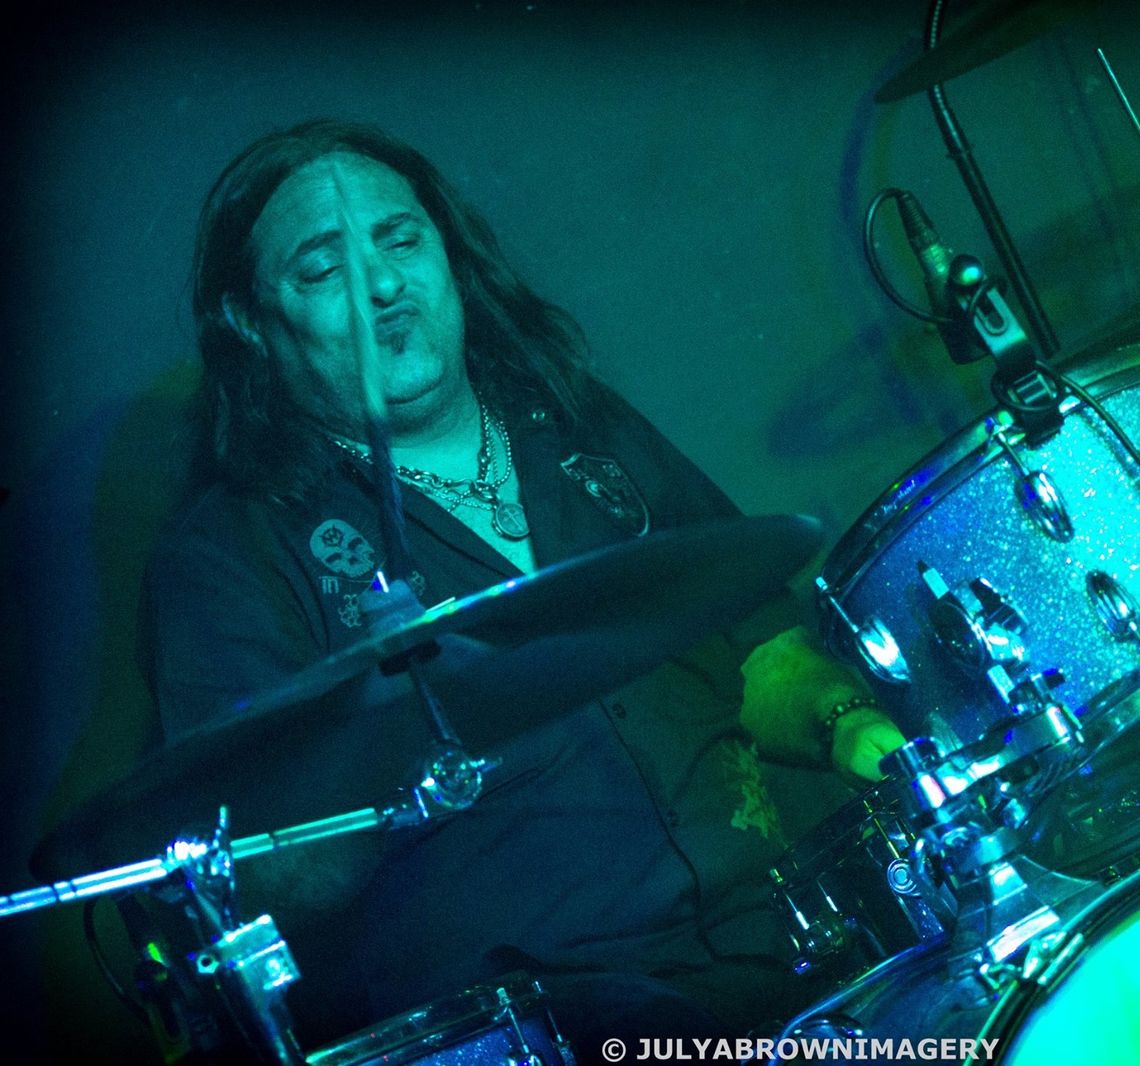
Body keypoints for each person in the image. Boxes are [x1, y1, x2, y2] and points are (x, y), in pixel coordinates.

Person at [135, 119, 905, 1059]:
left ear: (449, 256)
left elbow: (757, 642)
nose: (382, 286)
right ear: (253, 324)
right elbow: (267, 881)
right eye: (324, 269)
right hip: (541, 1028)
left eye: (400, 240)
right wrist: (377, 725)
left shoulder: (577, 422)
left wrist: (849, 725)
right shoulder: (228, 557)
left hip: (789, 944)